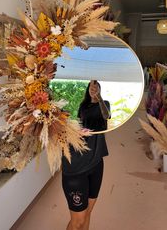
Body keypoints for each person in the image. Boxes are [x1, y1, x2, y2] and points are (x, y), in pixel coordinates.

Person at [62, 80, 111, 230]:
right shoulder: (83, 106)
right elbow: (79, 124)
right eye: (91, 86)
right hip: (77, 164)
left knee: (88, 213)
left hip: (96, 162)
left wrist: (100, 98)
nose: (93, 88)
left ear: (99, 89)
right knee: (78, 221)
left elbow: (106, 115)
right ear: (88, 89)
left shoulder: (105, 103)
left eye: (96, 86)